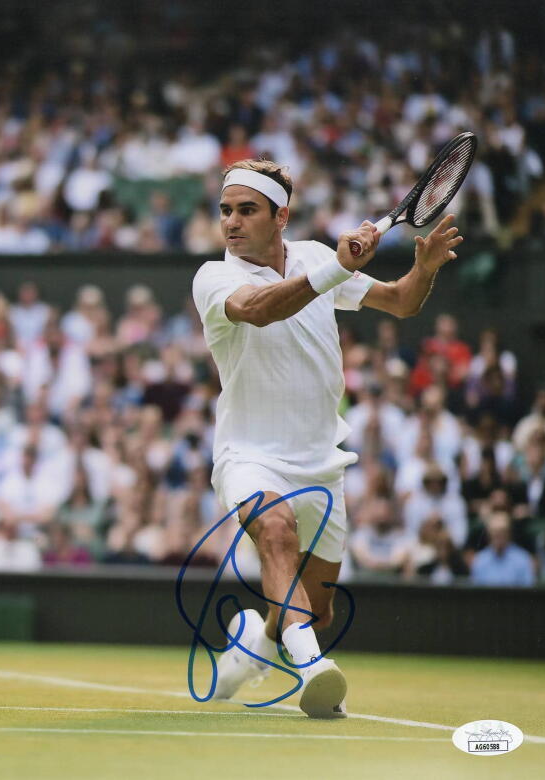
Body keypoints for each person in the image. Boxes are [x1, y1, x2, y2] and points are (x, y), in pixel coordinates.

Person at [192, 158, 464, 718]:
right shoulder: (214, 278)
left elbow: (400, 301)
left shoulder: (316, 258)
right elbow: (259, 310)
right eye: (226, 211)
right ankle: (314, 670)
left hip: (321, 463)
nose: (232, 222)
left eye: (247, 210)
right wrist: (334, 271)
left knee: (314, 611)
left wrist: (427, 269)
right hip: (249, 456)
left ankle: (253, 648)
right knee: (274, 527)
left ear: (280, 215)